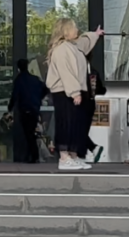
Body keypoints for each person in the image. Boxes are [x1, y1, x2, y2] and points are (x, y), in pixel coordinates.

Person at [45, 18, 103, 171]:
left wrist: (95, 35)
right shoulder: (62, 49)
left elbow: (85, 42)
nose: (77, 30)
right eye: (74, 27)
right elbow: (66, 72)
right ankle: (64, 158)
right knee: (66, 123)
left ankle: (72, 156)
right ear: (66, 31)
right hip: (64, 92)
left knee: (74, 124)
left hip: (69, 91)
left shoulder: (73, 46)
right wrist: (74, 92)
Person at [9, 58, 47, 163]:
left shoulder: (19, 80)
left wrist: (10, 107)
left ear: (18, 68)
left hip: (25, 109)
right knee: (30, 132)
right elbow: (45, 89)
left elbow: (15, 95)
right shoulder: (35, 79)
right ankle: (33, 155)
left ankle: (33, 156)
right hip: (34, 109)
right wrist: (38, 99)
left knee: (28, 134)